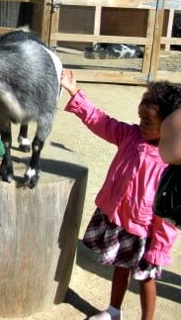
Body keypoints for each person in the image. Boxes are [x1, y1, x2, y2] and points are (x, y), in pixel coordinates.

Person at [60, 69, 180, 320]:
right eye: (139, 118)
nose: (140, 124)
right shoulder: (130, 135)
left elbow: (168, 217)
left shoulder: (170, 163)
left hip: (145, 233)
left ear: (168, 124)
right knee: (120, 267)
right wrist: (74, 92)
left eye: (147, 122)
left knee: (146, 279)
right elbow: (102, 121)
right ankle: (114, 310)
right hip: (121, 221)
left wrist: (158, 248)